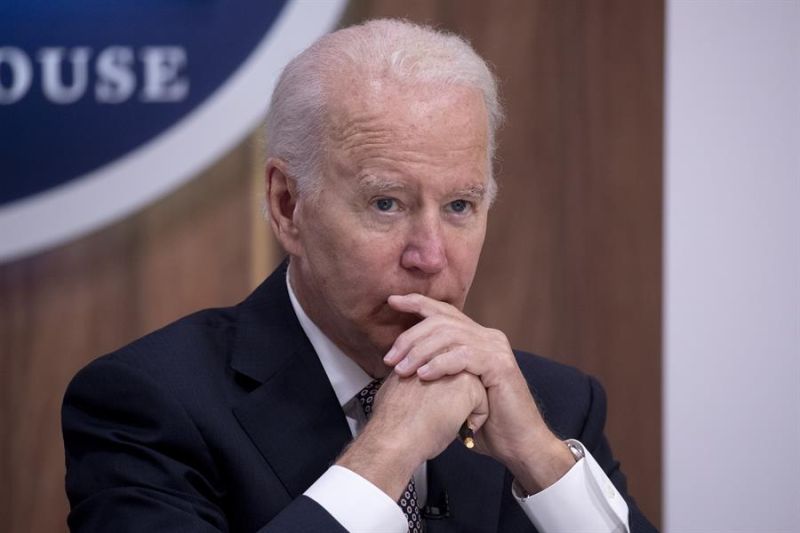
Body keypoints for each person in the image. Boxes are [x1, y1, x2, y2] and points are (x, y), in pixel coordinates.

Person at [62, 19, 657, 533]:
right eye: (386, 204)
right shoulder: (149, 404)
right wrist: (386, 452)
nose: (429, 255)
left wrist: (542, 461)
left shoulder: (557, 405)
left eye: (459, 207)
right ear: (288, 205)